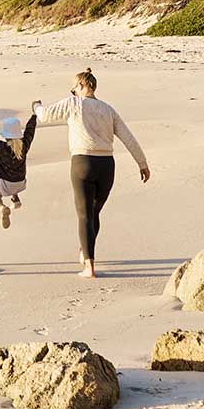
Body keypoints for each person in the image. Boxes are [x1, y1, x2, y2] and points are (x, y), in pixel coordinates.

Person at [34, 67, 150, 278]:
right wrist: (142, 163)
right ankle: (84, 251)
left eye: (73, 89)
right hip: (107, 166)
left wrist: (36, 106)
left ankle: (89, 266)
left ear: (80, 86)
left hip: (83, 162)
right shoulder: (108, 109)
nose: (73, 93)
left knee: (84, 215)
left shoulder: (74, 103)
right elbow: (128, 137)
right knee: (94, 213)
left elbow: (44, 116)